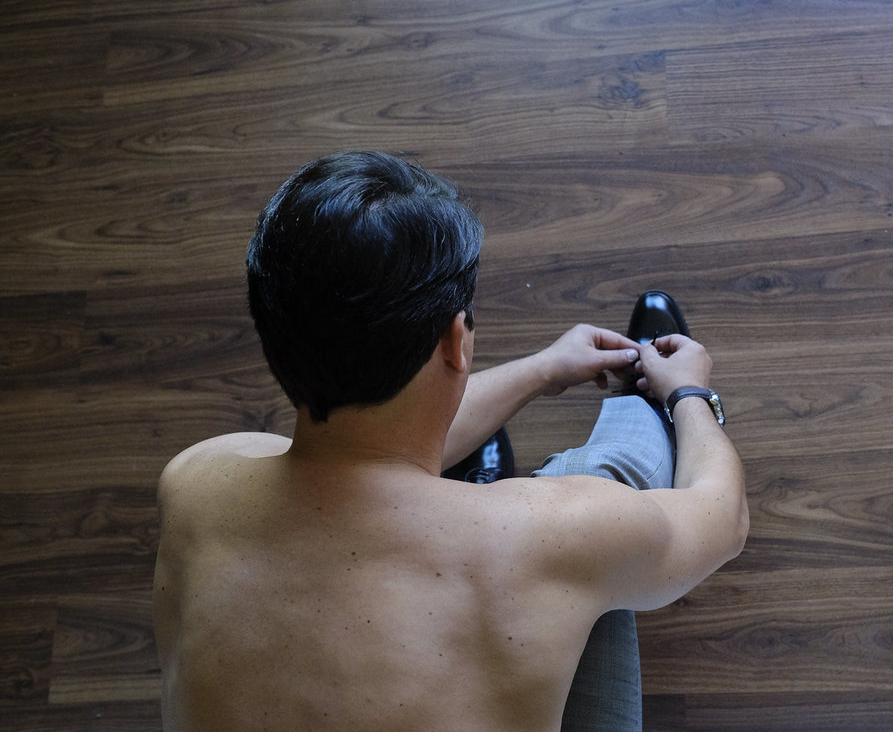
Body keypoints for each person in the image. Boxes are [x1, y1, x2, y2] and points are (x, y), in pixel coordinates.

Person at [152, 151, 748, 732]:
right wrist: (689, 393)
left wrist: (542, 369)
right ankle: (641, 408)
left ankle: (480, 482)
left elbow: (365, 445)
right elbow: (723, 520)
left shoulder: (198, 482)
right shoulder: (557, 535)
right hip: (542, 545)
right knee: (591, 494)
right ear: (456, 340)